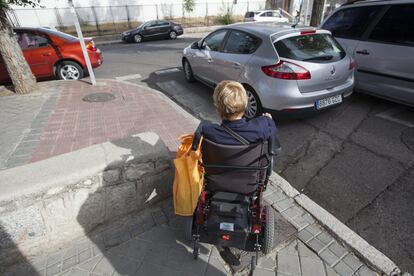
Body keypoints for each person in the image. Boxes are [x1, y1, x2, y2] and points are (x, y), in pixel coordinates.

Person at [202, 80, 277, 145]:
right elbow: (272, 132)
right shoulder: (262, 126)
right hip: (251, 161)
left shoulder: (208, 131)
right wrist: (268, 120)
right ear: (246, 104)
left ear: (217, 109)